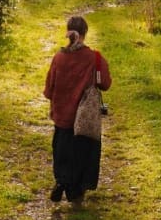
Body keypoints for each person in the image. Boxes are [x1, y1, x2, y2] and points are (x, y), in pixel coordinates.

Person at [43, 15, 112, 204]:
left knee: (62, 152)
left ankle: (61, 181)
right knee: (82, 155)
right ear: (85, 33)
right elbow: (105, 83)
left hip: (62, 116)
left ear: (69, 33)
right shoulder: (94, 58)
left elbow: (49, 89)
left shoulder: (58, 57)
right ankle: (76, 192)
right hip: (83, 120)